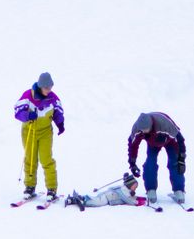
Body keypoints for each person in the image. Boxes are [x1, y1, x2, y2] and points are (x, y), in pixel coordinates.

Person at [13, 72, 65, 200]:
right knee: (30, 159)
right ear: (41, 86)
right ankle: (30, 187)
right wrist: (27, 115)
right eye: (47, 88)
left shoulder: (53, 98)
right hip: (29, 131)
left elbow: (58, 112)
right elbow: (17, 111)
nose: (49, 90)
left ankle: (51, 189)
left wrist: (60, 123)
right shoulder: (28, 96)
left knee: (46, 159)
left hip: (45, 132)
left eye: (50, 87)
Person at [127, 112, 187, 205]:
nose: (144, 131)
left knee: (175, 163)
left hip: (170, 141)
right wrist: (132, 164)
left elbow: (180, 140)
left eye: (146, 129)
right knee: (150, 163)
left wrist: (181, 159)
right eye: (143, 130)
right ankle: (151, 189)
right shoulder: (137, 129)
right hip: (153, 143)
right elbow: (133, 145)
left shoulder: (164, 124)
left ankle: (179, 190)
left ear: (151, 124)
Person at [63, 173, 142, 209]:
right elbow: (130, 201)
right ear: (129, 185)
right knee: (97, 202)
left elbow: (130, 196)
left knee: (95, 199)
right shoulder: (125, 191)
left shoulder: (123, 188)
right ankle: (84, 201)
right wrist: (137, 202)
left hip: (107, 194)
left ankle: (75, 199)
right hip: (107, 198)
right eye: (134, 187)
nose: (135, 189)